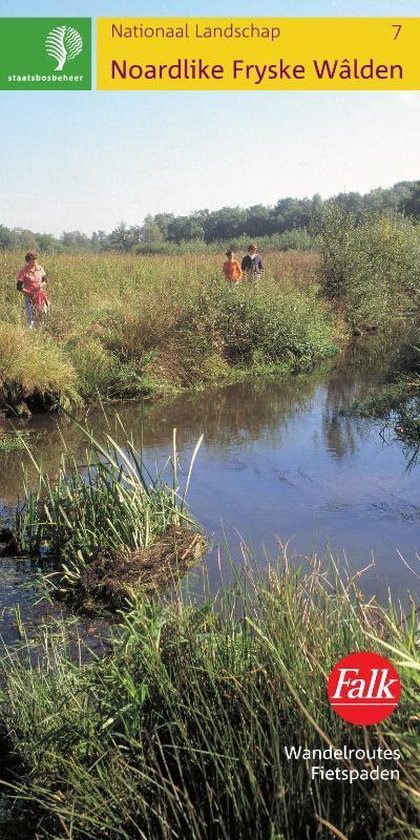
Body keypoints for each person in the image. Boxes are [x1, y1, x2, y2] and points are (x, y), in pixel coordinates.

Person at [17, 252, 50, 328]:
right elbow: (19, 287)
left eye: (36, 259)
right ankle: (29, 333)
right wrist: (28, 293)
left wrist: (42, 284)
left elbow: (45, 279)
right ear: (28, 261)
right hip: (29, 296)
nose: (35, 261)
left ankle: (41, 330)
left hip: (39, 295)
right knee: (31, 316)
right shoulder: (24, 271)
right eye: (33, 260)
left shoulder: (39, 268)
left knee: (43, 312)